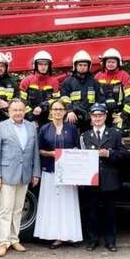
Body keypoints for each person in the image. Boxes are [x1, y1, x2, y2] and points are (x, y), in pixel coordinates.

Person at [0, 98, 40, 257]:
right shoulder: (0, 127)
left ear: (25, 111)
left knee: (18, 209)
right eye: (14, 110)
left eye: (20, 110)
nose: (18, 112)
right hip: (6, 174)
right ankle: (3, 242)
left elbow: (35, 152)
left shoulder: (31, 127)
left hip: (25, 174)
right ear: (9, 111)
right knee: (5, 209)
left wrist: (36, 173)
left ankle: (14, 239)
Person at [33, 99, 82, 248]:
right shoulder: (44, 129)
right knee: (53, 204)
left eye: (61, 109)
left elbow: (78, 149)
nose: (58, 112)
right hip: (50, 171)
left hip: (68, 173)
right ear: (50, 112)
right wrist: (51, 153)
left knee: (68, 203)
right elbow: (38, 150)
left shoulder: (72, 129)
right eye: (55, 109)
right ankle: (55, 236)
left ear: (65, 111)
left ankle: (70, 235)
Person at [79, 103, 127, 252]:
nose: (97, 118)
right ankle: (92, 240)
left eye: (100, 115)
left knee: (110, 213)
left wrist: (109, 154)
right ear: (91, 118)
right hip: (91, 180)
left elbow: (123, 155)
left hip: (109, 179)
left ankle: (110, 242)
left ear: (105, 116)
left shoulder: (115, 134)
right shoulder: (84, 136)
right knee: (91, 212)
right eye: (94, 116)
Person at [60, 50, 105, 133]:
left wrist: (95, 116)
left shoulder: (94, 83)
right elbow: (64, 98)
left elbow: (100, 101)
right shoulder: (67, 82)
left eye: (85, 65)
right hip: (73, 117)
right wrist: (69, 111)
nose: (82, 67)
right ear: (75, 66)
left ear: (89, 66)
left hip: (90, 118)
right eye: (80, 65)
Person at [94, 48, 130, 130]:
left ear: (118, 63)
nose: (110, 64)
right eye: (108, 62)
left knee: (118, 134)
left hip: (119, 113)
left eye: (113, 62)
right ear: (104, 63)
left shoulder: (124, 75)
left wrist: (123, 115)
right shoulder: (98, 76)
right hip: (101, 114)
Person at [19, 50, 60, 126]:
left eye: (45, 64)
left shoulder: (54, 82)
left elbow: (55, 100)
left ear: (49, 66)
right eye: (40, 64)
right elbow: (22, 101)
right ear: (35, 65)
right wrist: (30, 115)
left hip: (48, 117)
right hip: (29, 117)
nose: (43, 67)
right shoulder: (26, 81)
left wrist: (42, 107)